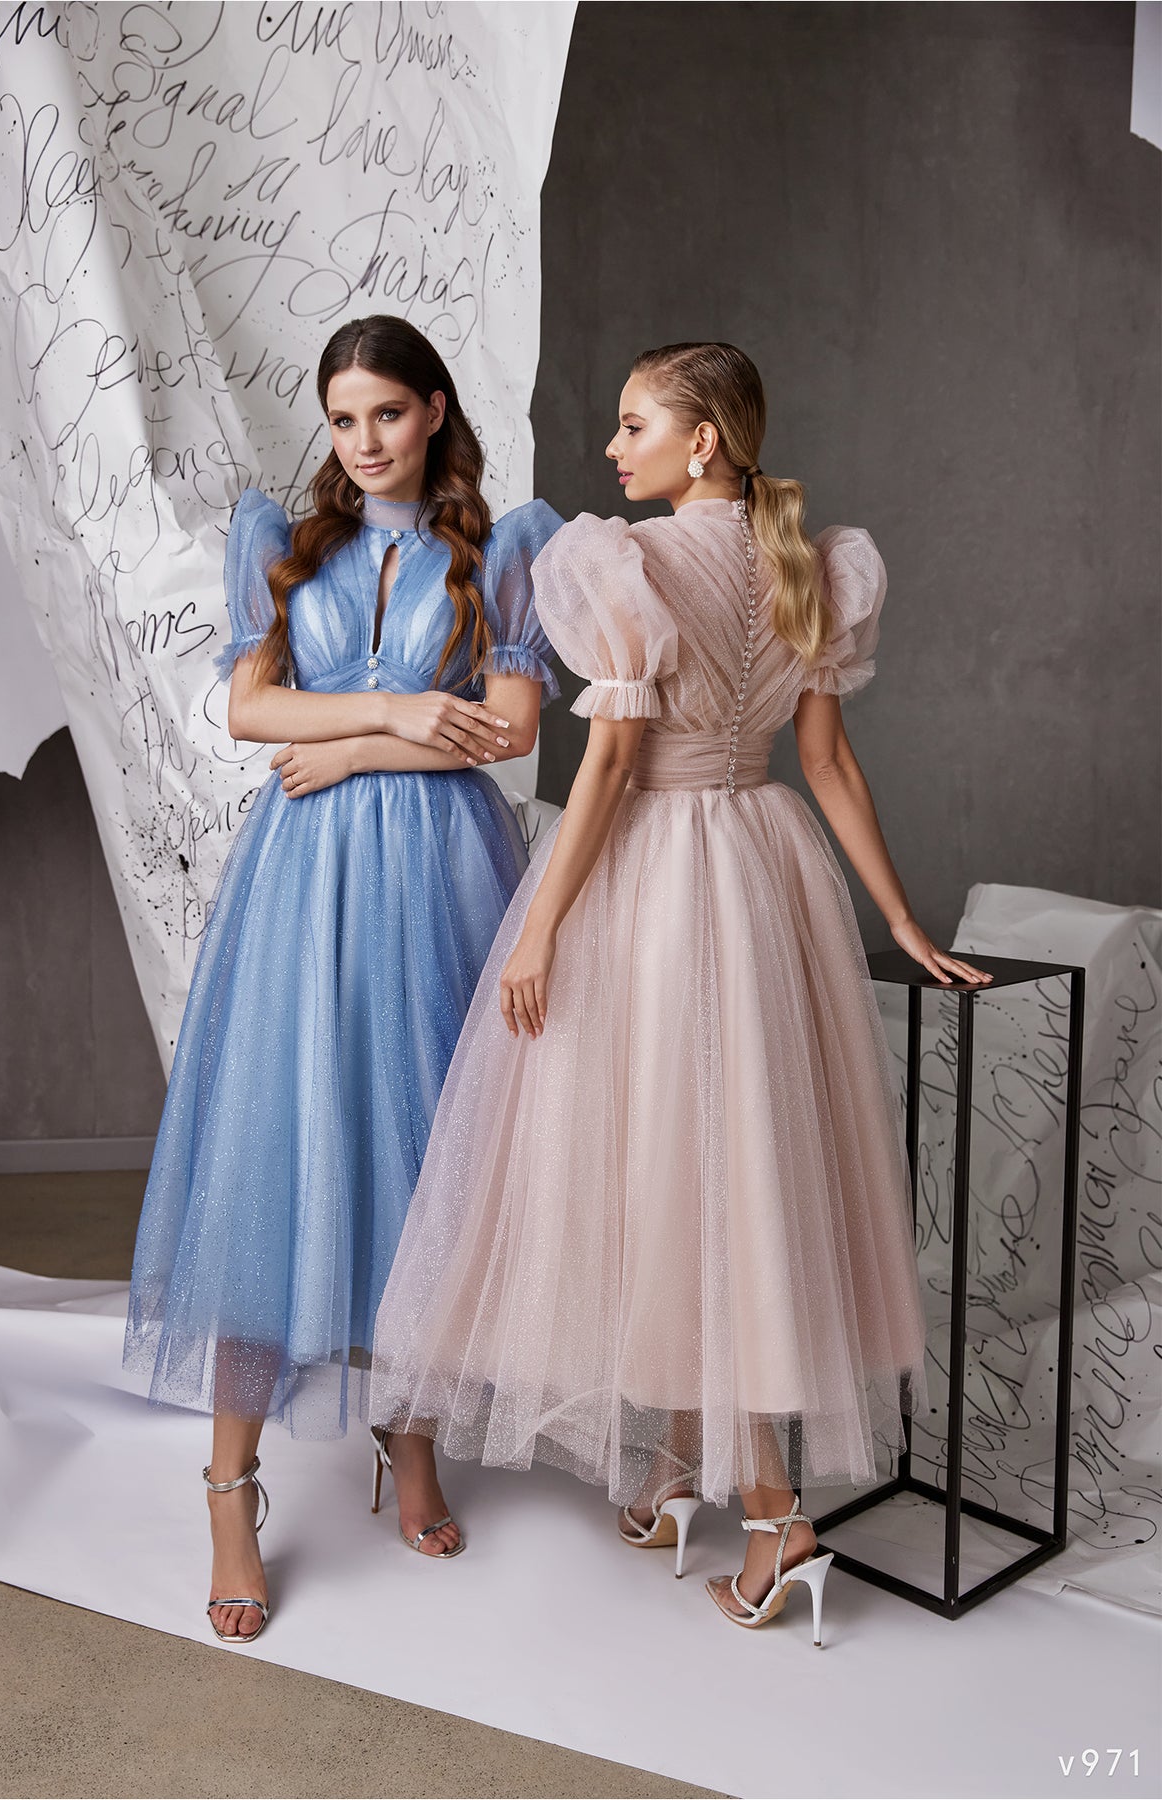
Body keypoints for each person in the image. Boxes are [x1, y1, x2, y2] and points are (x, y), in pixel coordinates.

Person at [369, 339, 991, 1643]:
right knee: (730, 1178)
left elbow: (605, 770)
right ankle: (675, 1473)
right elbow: (829, 766)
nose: (613, 448)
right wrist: (896, 918)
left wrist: (541, 928)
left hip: (654, 881)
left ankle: (773, 1519)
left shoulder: (629, 565)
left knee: (663, 1173)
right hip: (765, 874)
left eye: (634, 424)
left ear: (702, 440)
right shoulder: (806, 562)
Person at [123, 314, 562, 1642]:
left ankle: (407, 1438)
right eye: (343, 417)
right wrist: (391, 711)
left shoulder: (504, 546)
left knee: (420, 1156)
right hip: (303, 883)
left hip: (438, 878)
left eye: (387, 412)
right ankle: (229, 1490)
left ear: (434, 411)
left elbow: (510, 727)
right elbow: (251, 711)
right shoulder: (284, 540)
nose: (364, 441)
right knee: (274, 1154)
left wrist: (363, 747)